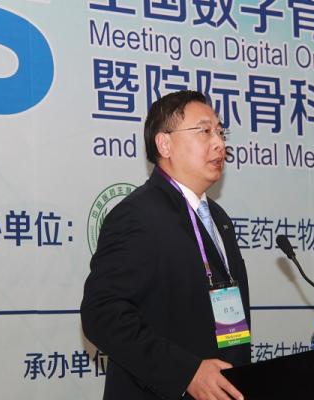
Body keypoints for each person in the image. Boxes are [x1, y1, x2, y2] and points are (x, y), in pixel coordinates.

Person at [81, 90, 251, 400]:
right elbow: (101, 314)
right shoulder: (137, 215)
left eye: (220, 132)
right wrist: (186, 373)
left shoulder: (218, 219)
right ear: (164, 144)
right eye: (204, 131)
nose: (219, 143)